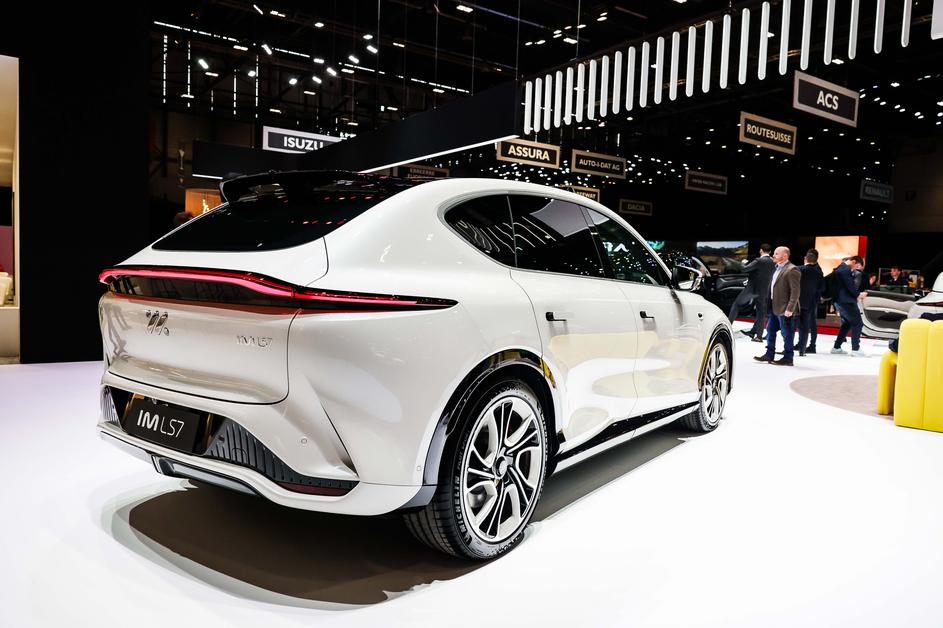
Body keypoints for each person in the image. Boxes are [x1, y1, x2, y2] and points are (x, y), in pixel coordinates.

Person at [754, 246, 801, 366]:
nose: (773, 255)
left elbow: (795, 292)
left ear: (785, 255)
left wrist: (790, 308)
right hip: (774, 307)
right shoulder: (776, 268)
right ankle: (769, 354)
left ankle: (788, 358)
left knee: (787, 334)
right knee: (770, 331)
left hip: (785, 309)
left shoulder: (792, 269)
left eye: (776, 253)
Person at [730, 243, 775, 342]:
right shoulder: (773, 261)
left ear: (761, 250)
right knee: (761, 313)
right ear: (770, 252)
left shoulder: (759, 260)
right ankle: (759, 336)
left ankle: (728, 327)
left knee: (736, 305)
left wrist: (741, 263)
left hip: (752, 289)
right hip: (764, 291)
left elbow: (744, 269)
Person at [831, 255, 867, 356]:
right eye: (857, 266)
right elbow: (850, 286)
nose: (856, 269)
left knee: (847, 324)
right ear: (853, 262)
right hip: (846, 301)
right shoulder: (845, 270)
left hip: (839, 301)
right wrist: (859, 294)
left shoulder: (840, 268)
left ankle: (836, 347)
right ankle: (856, 349)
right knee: (858, 323)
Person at [796, 249, 824, 355]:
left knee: (800, 324)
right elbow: (822, 287)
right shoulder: (818, 271)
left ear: (805, 258)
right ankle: (803, 347)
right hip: (811, 301)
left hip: (798, 300)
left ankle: (807, 345)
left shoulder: (799, 269)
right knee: (807, 325)